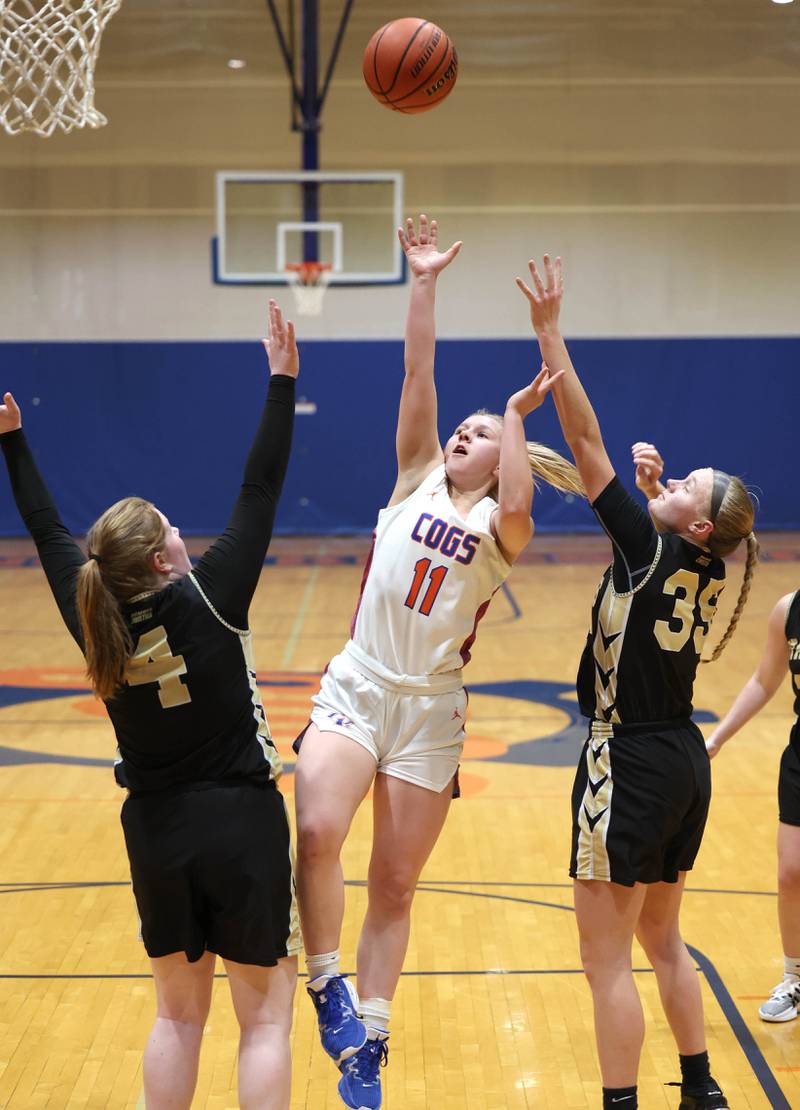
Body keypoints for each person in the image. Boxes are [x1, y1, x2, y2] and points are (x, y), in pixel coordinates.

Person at [293, 215, 585, 1110]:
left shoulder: (503, 528)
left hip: (430, 712)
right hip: (359, 683)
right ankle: (326, 987)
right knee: (313, 835)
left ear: (502, 461)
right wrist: (422, 281)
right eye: (461, 427)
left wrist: (518, 414)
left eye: (478, 432)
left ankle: (370, 1040)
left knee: (393, 881)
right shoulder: (415, 474)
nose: (460, 434)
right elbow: (418, 373)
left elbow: (526, 497)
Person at [0, 301, 301, 1110]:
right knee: (265, 1019)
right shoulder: (210, 596)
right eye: (171, 526)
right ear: (166, 555)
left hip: (156, 830)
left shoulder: (88, 606)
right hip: (240, 821)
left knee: (177, 1018)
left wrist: (10, 441)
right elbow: (261, 484)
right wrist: (283, 382)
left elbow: (42, 524)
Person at [516, 255, 758, 1110]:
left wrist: (552, 334)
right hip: (685, 762)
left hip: (627, 764)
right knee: (664, 938)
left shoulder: (649, 544)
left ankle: (621, 1103)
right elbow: (666, 544)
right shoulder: (704, 562)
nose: (671, 470)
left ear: (695, 521)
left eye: (684, 481)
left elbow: (583, 442)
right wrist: (661, 494)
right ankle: (700, 1091)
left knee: (607, 961)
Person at [707, 591, 800, 1023]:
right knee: (791, 871)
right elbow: (765, 680)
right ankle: (795, 978)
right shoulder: (789, 610)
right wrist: (718, 737)